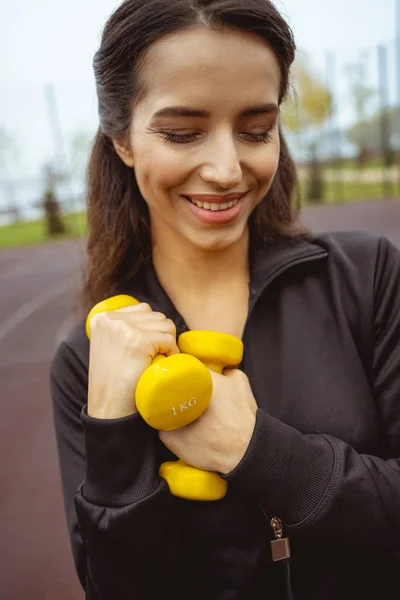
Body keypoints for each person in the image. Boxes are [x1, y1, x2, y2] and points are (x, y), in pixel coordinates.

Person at [50, 1, 400, 599]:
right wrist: (111, 425)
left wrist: (256, 450)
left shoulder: (367, 275)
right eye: (183, 132)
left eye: (256, 129)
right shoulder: (86, 357)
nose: (226, 168)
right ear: (121, 139)